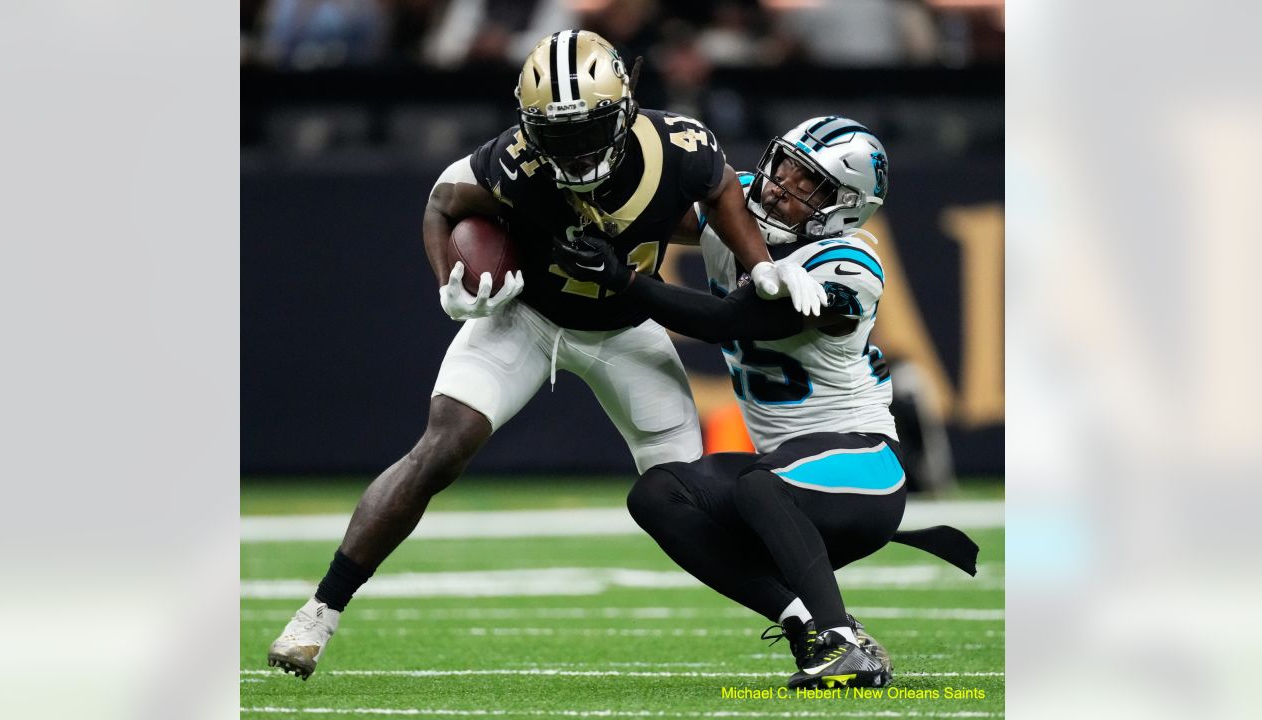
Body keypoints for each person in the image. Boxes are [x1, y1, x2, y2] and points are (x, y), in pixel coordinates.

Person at [265, 29, 826, 680]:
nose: (577, 149)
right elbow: (443, 202)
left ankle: (806, 623)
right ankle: (319, 612)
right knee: (441, 448)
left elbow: (723, 188)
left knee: (684, 502)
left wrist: (760, 265)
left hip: (626, 328)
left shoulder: (681, 147)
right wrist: (448, 279)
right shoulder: (514, 160)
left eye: (589, 129)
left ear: (624, 106)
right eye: (558, 134)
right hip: (526, 317)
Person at [552, 115, 977, 690]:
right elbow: (650, 211)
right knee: (659, 493)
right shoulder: (743, 209)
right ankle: (805, 624)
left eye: (809, 184)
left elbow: (727, 320)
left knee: (761, 482)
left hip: (863, 468)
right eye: (785, 165)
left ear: (845, 207)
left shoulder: (851, 267)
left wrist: (626, 283)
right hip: (784, 480)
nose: (780, 185)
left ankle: (843, 646)